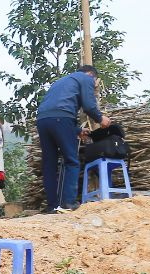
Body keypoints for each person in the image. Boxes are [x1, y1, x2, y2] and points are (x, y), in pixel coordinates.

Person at [37, 64, 110, 212]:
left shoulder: (62, 81)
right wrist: (100, 118)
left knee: (49, 164)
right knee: (71, 161)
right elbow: (89, 106)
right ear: (91, 75)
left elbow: (56, 110)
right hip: (61, 118)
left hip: (42, 120)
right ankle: (68, 203)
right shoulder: (86, 78)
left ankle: (52, 206)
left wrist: (77, 130)